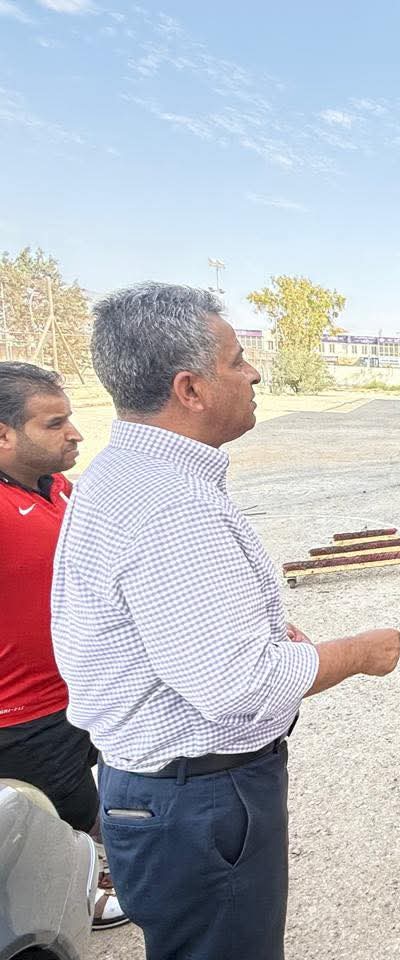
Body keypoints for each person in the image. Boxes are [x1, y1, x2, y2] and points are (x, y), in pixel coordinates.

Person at [50, 283, 400, 960]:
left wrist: (262, 637)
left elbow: (181, 636)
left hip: (167, 794)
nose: (255, 373)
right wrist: (358, 652)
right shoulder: (173, 506)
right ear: (190, 389)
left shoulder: (126, 474)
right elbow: (241, 685)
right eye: (238, 361)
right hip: (199, 803)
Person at [0, 362, 128, 930]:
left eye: (70, 418)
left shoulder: (57, 488)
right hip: (23, 712)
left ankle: (103, 871)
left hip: (82, 686)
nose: (75, 433)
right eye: (54, 424)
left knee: (104, 796)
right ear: (4, 434)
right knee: (60, 817)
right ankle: (79, 900)